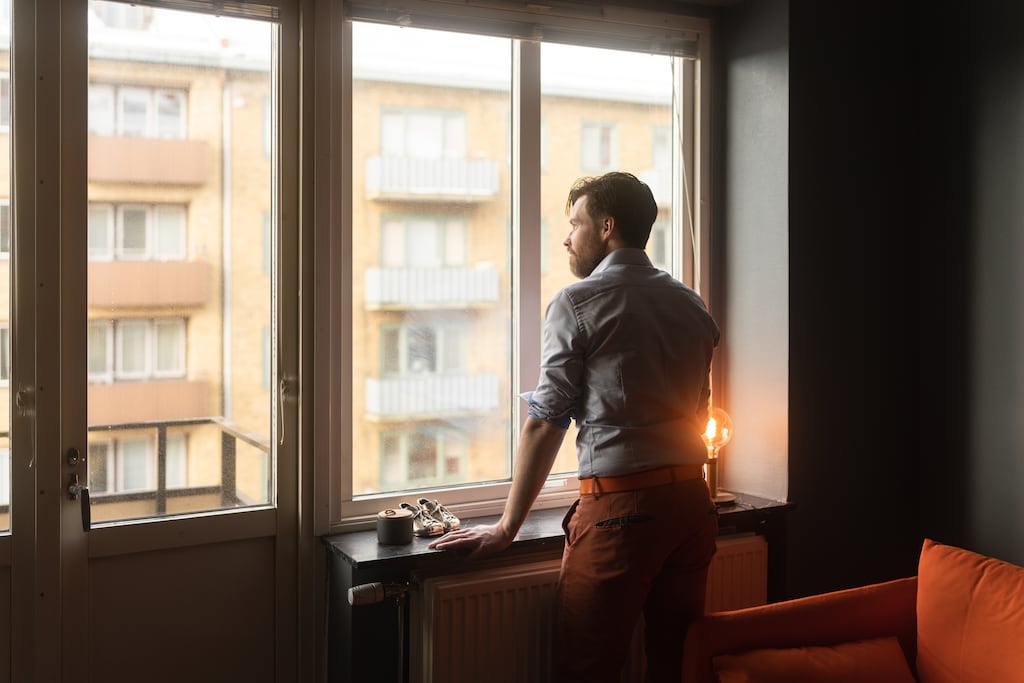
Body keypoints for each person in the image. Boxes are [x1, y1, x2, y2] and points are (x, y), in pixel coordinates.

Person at [429, 171, 720, 683]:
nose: (567, 237)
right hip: (691, 508)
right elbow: (701, 410)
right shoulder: (691, 304)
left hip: (622, 512)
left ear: (607, 227)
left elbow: (546, 423)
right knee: (676, 665)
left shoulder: (578, 302)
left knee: (585, 667)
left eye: (574, 223)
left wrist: (504, 529)